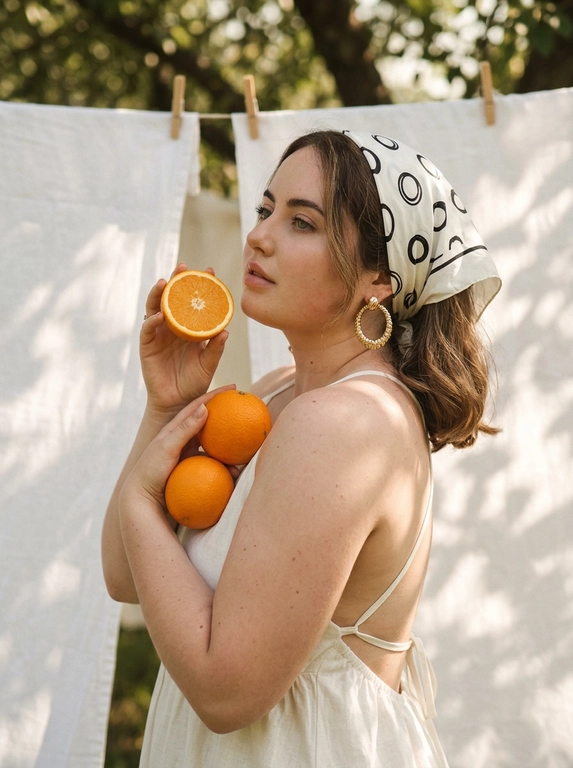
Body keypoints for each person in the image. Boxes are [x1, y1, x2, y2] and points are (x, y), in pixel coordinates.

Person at [102, 129, 501, 767]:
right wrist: (167, 408)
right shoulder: (276, 395)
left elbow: (225, 693)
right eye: (265, 210)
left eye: (302, 222)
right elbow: (127, 577)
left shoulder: (342, 424)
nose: (259, 235)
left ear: (379, 277)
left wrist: (142, 500)